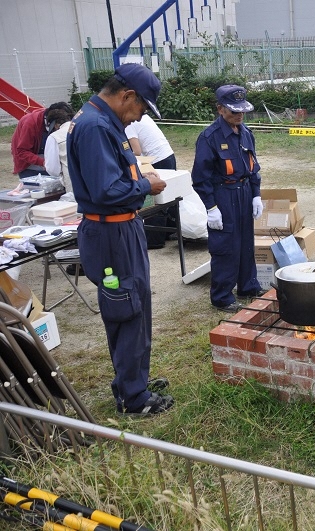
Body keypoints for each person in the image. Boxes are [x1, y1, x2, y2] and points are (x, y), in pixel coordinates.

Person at [67, 63, 173, 416]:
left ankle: (134, 380)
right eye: (141, 109)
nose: (137, 117)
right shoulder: (95, 126)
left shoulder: (105, 121)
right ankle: (133, 397)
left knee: (136, 304)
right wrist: (147, 185)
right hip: (110, 232)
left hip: (122, 226)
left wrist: (139, 178)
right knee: (126, 309)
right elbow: (107, 189)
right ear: (127, 96)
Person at [191, 85, 264, 312]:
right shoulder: (209, 138)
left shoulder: (246, 133)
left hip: (243, 192)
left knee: (245, 242)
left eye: (242, 111)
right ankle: (222, 295)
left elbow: (253, 168)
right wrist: (211, 207)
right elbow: (200, 178)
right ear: (220, 109)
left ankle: (248, 285)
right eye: (234, 111)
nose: (239, 116)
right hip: (223, 195)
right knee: (225, 245)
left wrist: (256, 195)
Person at [125, 114, 178, 249]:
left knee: (157, 200)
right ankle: (170, 232)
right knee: (169, 197)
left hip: (157, 159)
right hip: (167, 154)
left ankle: (156, 239)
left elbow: (136, 150)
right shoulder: (142, 115)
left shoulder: (128, 123)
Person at [12, 102, 73, 179]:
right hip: (29, 166)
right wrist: (43, 162)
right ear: (52, 122)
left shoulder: (57, 119)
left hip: (48, 162)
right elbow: (22, 152)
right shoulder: (30, 123)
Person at [43, 108, 75, 194]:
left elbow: (53, 169)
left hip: (73, 181)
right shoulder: (82, 127)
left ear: (55, 125)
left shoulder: (54, 137)